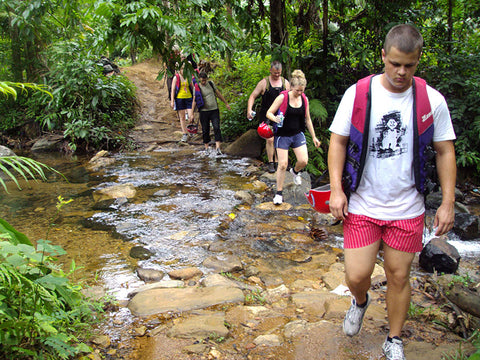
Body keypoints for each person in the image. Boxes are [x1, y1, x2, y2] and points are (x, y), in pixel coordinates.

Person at [328, 24, 456, 360]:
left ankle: (394, 338)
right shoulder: (358, 94)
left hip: (407, 207)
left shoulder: (432, 101)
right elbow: (338, 142)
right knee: (357, 275)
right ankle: (360, 301)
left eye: (409, 66)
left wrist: (447, 201)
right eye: (395, 63)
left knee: (399, 275)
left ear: (417, 62)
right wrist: (337, 190)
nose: (401, 72)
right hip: (363, 204)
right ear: (383, 56)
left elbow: (445, 151)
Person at [266, 70, 321, 205]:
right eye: (297, 91)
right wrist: (275, 118)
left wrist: (314, 137)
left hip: (297, 134)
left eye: (302, 91)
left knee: (303, 161)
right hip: (283, 135)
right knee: (282, 164)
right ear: (291, 87)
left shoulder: (304, 99)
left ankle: (295, 172)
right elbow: (269, 113)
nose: (299, 93)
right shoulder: (282, 98)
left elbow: (307, 119)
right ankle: (279, 194)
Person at [247, 61, 290, 173]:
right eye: (275, 73)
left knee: (280, 138)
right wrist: (249, 110)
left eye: (279, 73)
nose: (277, 75)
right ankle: (271, 162)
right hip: (267, 115)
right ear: (270, 70)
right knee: (270, 139)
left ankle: (278, 162)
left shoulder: (285, 83)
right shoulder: (264, 83)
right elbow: (252, 96)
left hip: (281, 115)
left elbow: (291, 97)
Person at [198, 72, 231, 155]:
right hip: (203, 111)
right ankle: (206, 148)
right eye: (202, 81)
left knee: (216, 127)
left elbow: (218, 94)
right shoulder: (197, 87)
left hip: (214, 110)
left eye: (205, 80)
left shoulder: (211, 84)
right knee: (205, 129)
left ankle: (218, 148)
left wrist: (226, 103)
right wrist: (191, 113)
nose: (204, 82)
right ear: (199, 79)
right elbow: (195, 99)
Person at [170, 65, 196, 142]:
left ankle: (190, 129)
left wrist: (196, 96)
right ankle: (185, 133)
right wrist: (172, 101)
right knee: (182, 117)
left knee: (191, 116)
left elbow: (193, 87)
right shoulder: (176, 78)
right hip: (179, 98)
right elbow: (173, 89)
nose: (183, 70)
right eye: (181, 69)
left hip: (189, 98)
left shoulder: (188, 77)